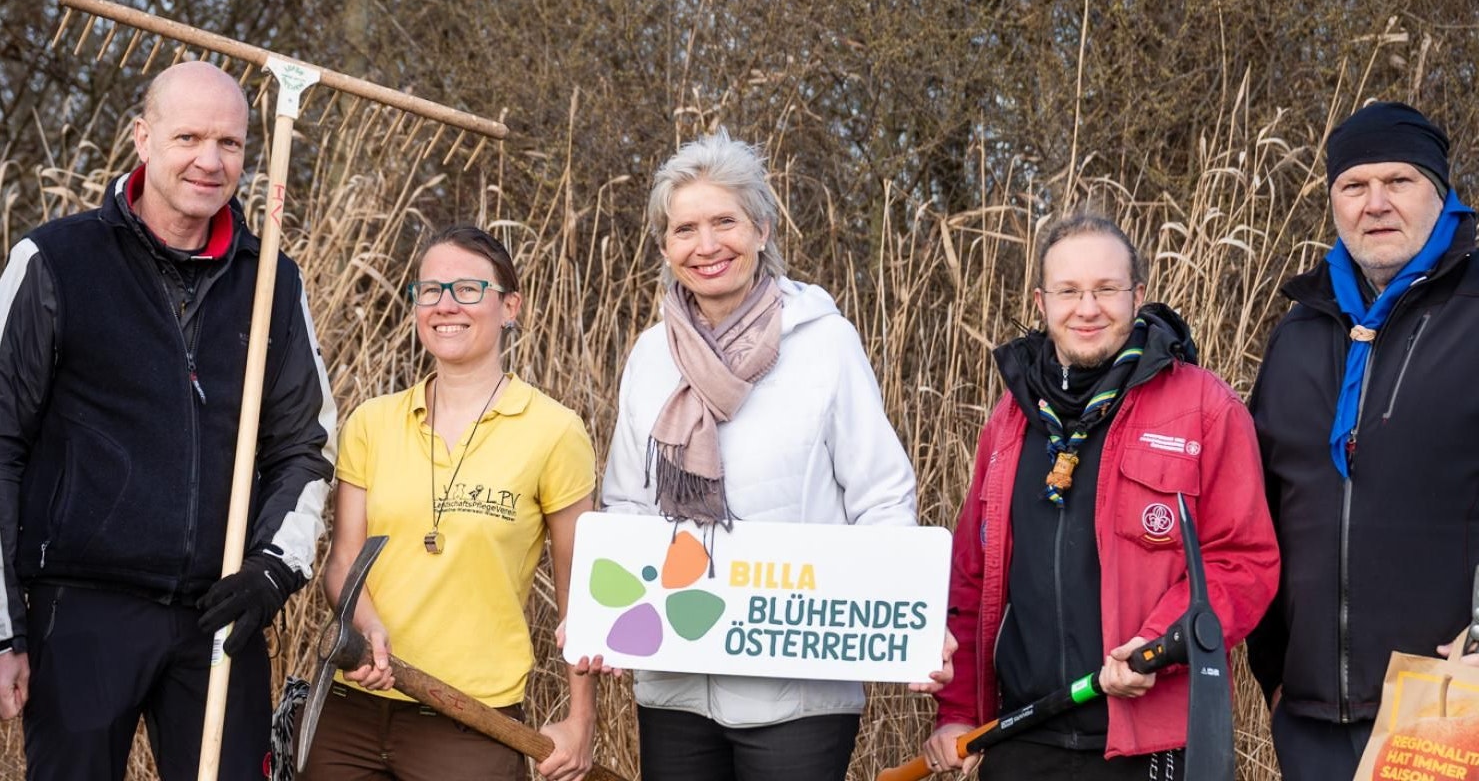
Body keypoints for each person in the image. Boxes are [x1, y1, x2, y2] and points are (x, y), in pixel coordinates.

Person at [0, 60, 336, 779]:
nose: (210, 161)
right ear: (142, 138)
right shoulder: (54, 261)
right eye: (188, 137)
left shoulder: (271, 280)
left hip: (219, 615)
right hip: (81, 611)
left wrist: (273, 570)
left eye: (230, 143)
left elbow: (305, 445)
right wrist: (4, 630)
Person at [596, 131, 947, 781]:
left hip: (796, 686)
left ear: (761, 229)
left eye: (724, 222)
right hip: (675, 680)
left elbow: (880, 497)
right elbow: (627, 504)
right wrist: (606, 616)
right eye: (684, 229)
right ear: (665, 248)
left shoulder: (825, 344)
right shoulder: (650, 355)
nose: (706, 245)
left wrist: (908, 618)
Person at [925, 213, 1280, 779]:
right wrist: (958, 712)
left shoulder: (1205, 408)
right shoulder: (1009, 421)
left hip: (1153, 738)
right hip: (1019, 737)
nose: (1087, 308)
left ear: (1137, 295)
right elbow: (972, 579)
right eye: (1068, 291)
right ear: (1041, 302)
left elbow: (1242, 561)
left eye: (1106, 289)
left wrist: (1159, 644)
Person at [307, 225, 597, 781]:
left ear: (510, 307)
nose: (445, 305)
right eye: (430, 290)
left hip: (472, 721)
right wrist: (367, 627)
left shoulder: (554, 432)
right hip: (351, 714)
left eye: (467, 289)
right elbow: (343, 563)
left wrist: (580, 720)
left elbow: (581, 592)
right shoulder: (371, 422)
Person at [1246, 101, 1479, 780]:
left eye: (1398, 181)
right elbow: (1261, 508)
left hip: (1447, 703)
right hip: (1311, 714)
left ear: (1439, 191)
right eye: (1353, 186)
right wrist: (1274, 671)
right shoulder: (1298, 332)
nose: (1374, 203)